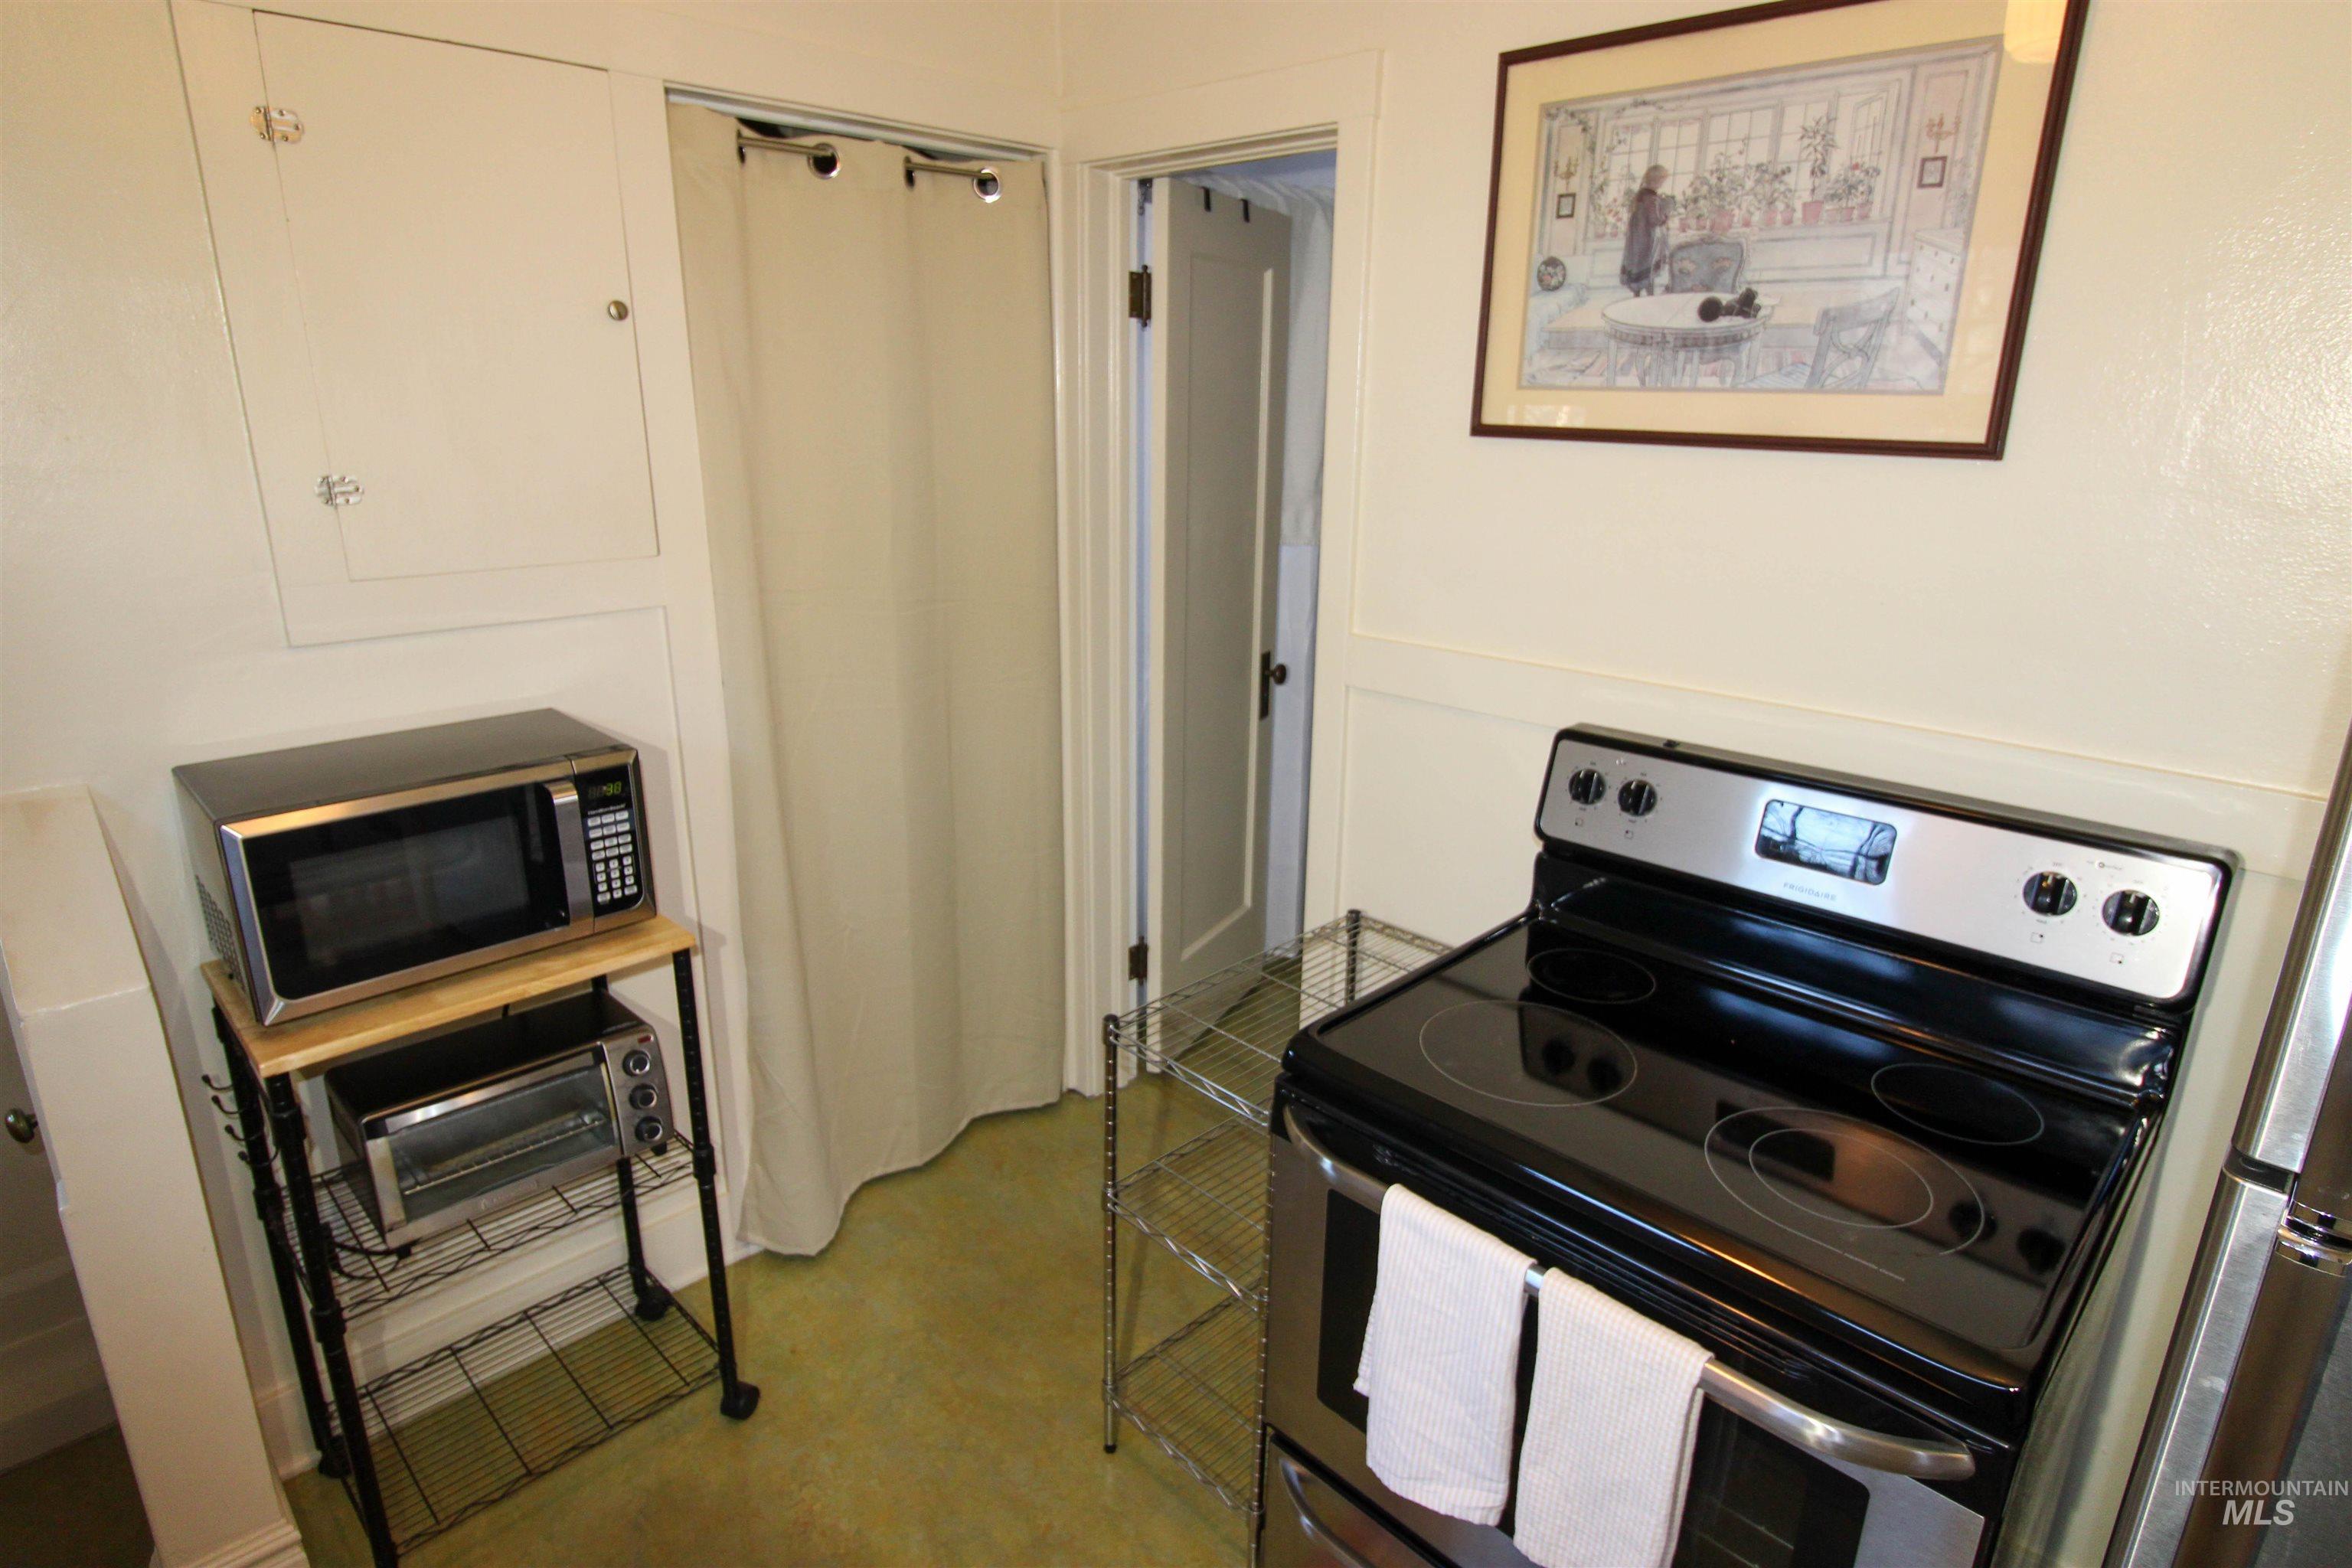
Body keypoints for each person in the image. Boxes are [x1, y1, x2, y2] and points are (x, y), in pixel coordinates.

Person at [1619, 165, 1672, 296]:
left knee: (1637, 266)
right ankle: (1649, 296)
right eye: (1662, 181)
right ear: (1656, 180)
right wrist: (1666, 214)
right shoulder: (1651, 198)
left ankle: (1637, 295)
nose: (1662, 184)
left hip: (1636, 238)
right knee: (1648, 268)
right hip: (1647, 238)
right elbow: (1655, 220)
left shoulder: (1640, 195)